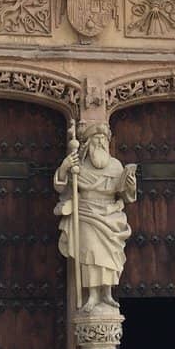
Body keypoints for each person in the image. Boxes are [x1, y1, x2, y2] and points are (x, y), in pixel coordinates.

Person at [53, 122, 137, 312]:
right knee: (90, 254)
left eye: (103, 140)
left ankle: (106, 294)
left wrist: (130, 185)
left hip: (111, 215)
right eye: (97, 139)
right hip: (87, 212)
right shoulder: (78, 166)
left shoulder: (115, 165)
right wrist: (65, 167)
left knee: (110, 257)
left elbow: (125, 195)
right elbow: (61, 188)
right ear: (88, 143)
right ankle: (92, 296)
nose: (100, 143)